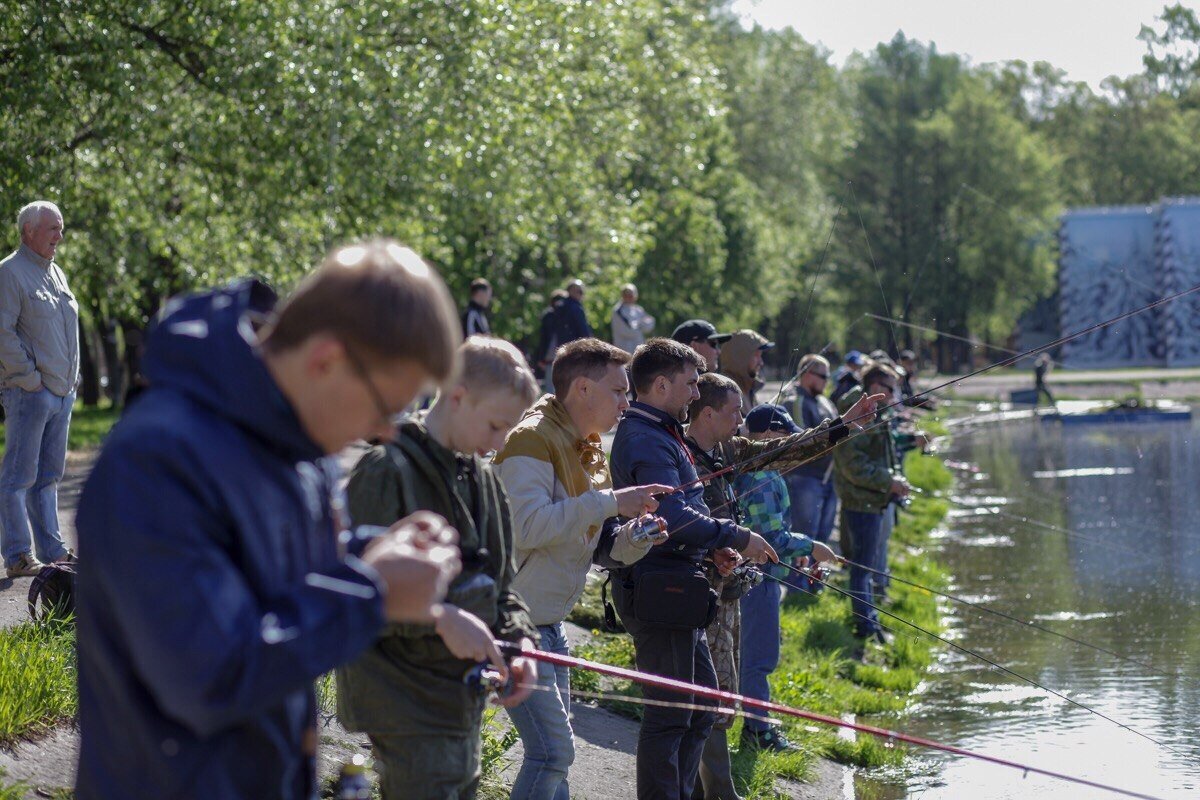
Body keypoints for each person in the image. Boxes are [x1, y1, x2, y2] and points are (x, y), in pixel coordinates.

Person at [74, 240, 467, 800]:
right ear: (326, 359)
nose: (387, 431)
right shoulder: (157, 461)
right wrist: (372, 593)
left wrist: (379, 551)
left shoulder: (291, 441)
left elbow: (271, 576)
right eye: (388, 406)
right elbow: (212, 675)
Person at [336, 336, 541, 800]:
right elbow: (350, 594)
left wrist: (521, 642)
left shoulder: (486, 479)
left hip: (459, 698)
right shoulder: (385, 470)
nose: (500, 442)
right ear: (457, 396)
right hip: (401, 697)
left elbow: (504, 587)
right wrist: (441, 619)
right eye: (495, 425)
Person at [494, 337, 670, 800]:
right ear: (583, 390)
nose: (626, 402)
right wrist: (611, 502)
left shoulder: (586, 443)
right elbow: (527, 528)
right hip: (514, 622)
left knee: (557, 756)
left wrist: (634, 538)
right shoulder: (531, 439)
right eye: (618, 391)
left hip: (551, 624)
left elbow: (594, 545)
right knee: (552, 753)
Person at [682, 376, 864, 794]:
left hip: (730, 592)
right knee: (707, 696)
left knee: (721, 695)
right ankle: (709, 780)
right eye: (735, 412)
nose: (742, 419)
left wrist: (845, 425)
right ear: (708, 413)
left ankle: (713, 785)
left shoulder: (732, 451)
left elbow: (786, 451)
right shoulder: (680, 453)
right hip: (698, 595)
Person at [734, 404, 837, 751]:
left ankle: (752, 724)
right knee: (759, 658)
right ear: (766, 435)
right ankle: (758, 732)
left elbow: (774, 534)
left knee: (752, 655)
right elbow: (770, 538)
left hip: (757, 575)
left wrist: (802, 553)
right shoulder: (761, 477)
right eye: (785, 435)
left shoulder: (765, 470)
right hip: (756, 578)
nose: (790, 443)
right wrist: (814, 546)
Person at [0, 201, 77, 577]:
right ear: (29, 230)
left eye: (60, 229)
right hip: (30, 393)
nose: (59, 237)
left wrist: (68, 383)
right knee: (17, 479)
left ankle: (54, 554)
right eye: (53, 229)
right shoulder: (10, 273)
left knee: (48, 479)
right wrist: (31, 381)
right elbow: (2, 333)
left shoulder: (56, 273)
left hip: (62, 394)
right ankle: (17, 556)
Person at [833, 363, 910, 657]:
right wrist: (889, 481)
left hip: (873, 498)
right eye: (889, 388)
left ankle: (871, 620)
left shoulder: (875, 412)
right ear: (875, 387)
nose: (893, 394)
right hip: (860, 500)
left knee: (867, 564)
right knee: (861, 568)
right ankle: (865, 626)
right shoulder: (855, 413)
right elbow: (854, 466)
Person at [785, 355, 839, 585]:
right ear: (807, 374)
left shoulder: (824, 402)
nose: (827, 381)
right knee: (805, 537)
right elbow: (803, 440)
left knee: (822, 536)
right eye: (823, 376)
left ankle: (813, 584)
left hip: (828, 479)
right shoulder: (794, 401)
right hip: (804, 479)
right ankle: (797, 587)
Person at [719, 330, 773, 416]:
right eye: (756, 355)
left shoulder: (747, 387)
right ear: (740, 358)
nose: (761, 362)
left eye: (760, 355)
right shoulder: (723, 391)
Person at [534, 289, 568, 394]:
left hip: (565, 357)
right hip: (550, 357)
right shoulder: (548, 316)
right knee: (550, 389)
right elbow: (544, 338)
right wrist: (541, 358)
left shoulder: (568, 315)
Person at [611, 283, 655, 354]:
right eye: (626, 294)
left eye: (631, 294)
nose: (629, 296)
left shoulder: (638, 309)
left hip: (637, 351)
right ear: (622, 295)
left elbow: (650, 323)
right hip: (624, 351)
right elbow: (629, 331)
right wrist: (641, 324)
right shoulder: (618, 311)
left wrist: (639, 324)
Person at [553, 279, 593, 349]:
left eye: (582, 292)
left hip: (562, 348)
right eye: (579, 291)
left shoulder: (560, 305)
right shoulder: (575, 307)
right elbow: (583, 330)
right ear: (570, 291)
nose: (581, 294)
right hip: (576, 348)